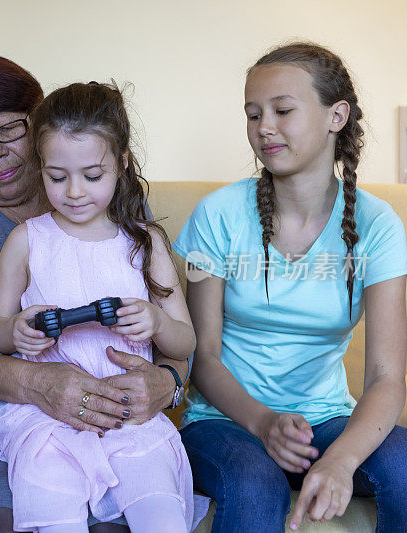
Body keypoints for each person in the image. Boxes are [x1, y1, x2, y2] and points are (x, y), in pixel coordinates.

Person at [0, 53, 191, 533]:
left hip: (119, 414)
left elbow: (172, 334)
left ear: (39, 122)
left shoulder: (118, 206)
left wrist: (165, 383)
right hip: (1, 427)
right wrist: (39, 384)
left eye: (9, 129)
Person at [174, 42, 407, 532]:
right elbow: (203, 355)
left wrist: (340, 459)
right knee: (255, 482)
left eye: (282, 110)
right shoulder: (215, 215)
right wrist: (262, 423)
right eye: (253, 114)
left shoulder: (378, 225)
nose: (264, 128)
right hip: (225, 423)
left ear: (335, 116)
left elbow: (386, 377)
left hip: (326, 421)